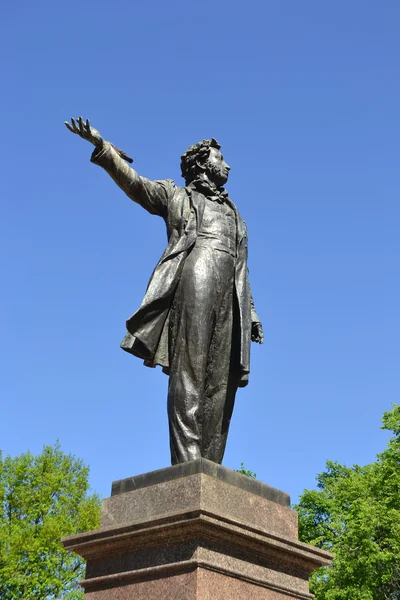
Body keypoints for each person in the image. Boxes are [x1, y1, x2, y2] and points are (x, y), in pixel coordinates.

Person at [65, 117, 264, 465]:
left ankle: (211, 465)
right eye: (220, 158)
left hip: (229, 293)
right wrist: (104, 148)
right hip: (196, 274)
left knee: (221, 380)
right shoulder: (178, 195)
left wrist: (252, 312)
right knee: (189, 369)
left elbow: (241, 271)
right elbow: (136, 185)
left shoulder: (235, 214)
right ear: (203, 163)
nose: (227, 164)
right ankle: (188, 464)